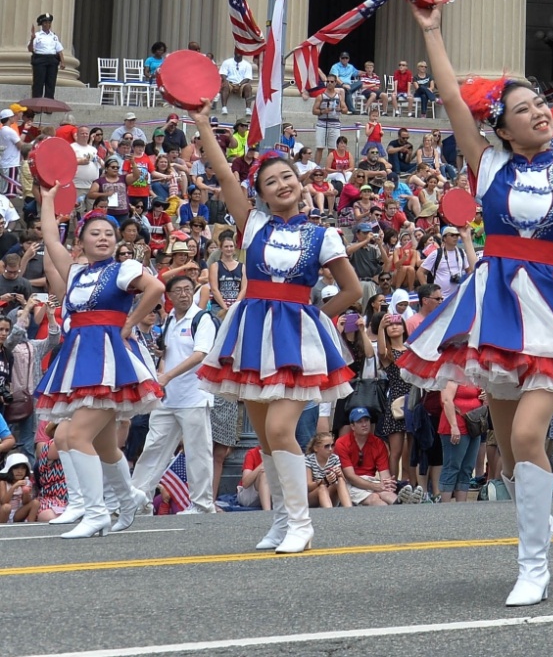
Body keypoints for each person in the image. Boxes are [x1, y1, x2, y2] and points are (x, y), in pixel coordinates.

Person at [396, 0, 553, 608]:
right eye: (522, 109)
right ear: (502, 128)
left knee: (532, 432)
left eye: (540, 103)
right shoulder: (487, 165)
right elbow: (454, 100)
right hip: (496, 307)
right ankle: (535, 530)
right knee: (511, 451)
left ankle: (532, 564)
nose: (537, 112)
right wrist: (432, 31)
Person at [190, 103, 362, 552]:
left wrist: (314, 323)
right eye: (271, 182)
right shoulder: (254, 225)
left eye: (287, 176)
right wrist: (205, 124)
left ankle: (302, 523)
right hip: (252, 334)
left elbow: (352, 290)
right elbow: (227, 178)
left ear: (299, 181)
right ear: (262, 195)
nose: (282, 184)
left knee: (283, 429)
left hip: (294, 336)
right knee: (266, 434)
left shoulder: (323, 235)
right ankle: (283, 520)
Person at [28, 188, 164, 537]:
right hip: (81, 359)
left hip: (111, 362)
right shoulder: (75, 273)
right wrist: (47, 199)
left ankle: (95, 511)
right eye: (95, 233)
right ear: (82, 241)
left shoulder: (123, 269)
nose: (103, 238)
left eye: (108, 233)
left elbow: (155, 289)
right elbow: (48, 237)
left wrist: (130, 323)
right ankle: (128, 497)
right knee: (103, 445)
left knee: (73, 435)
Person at [128, 273, 219, 514]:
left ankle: (201, 504)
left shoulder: (202, 319)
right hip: (168, 398)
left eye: (187, 289)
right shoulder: (168, 322)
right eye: (177, 290)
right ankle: (138, 499)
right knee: (153, 448)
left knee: (198, 451)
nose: (183, 294)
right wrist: (161, 368)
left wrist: (168, 376)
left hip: (194, 396)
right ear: (168, 296)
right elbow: (168, 355)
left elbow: (200, 355)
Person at [27, 15, 63, 100]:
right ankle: (36, 103)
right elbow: (30, 49)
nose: (48, 24)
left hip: (52, 60)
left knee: (51, 83)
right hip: (40, 59)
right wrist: (32, 39)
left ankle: (49, 104)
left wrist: (63, 61)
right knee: (38, 82)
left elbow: (59, 50)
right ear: (42, 24)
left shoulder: (54, 36)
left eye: (49, 22)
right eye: (46, 22)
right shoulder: (37, 35)